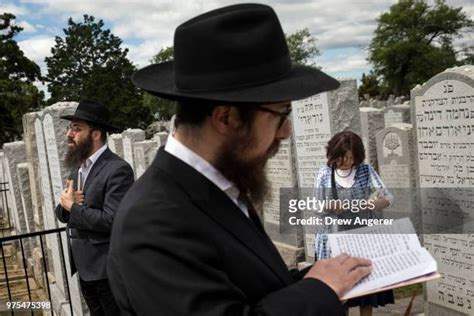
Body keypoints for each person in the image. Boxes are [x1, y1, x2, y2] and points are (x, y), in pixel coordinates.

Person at [107, 4, 372, 315]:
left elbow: (248, 290)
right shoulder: (153, 221)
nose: (286, 132)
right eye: (281, 115)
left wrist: (324, 278)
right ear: (226, 117)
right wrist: (319, 290)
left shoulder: (217, 185)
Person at [55, 100, 134, 316]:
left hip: (107, 271)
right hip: (84, 269)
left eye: (77, 128)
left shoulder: (117, 169)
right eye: (70, 128)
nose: (69, 134)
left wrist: (73, 208)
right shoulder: (78, 167)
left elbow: (112, 220)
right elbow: (63, 212)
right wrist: (65, 205)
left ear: (96, 134)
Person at [313, 131, 394, 316]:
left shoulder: (365, 170)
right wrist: (330, 206)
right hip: (334, 242)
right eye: (341, 158)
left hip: (363, 239)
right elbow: (316, 205)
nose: (346, 162)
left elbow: (388, 197)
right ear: (333, 155)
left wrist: (377, 202)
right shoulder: (325, 173)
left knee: (366, 292)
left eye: (350, 157)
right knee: (342, 294)